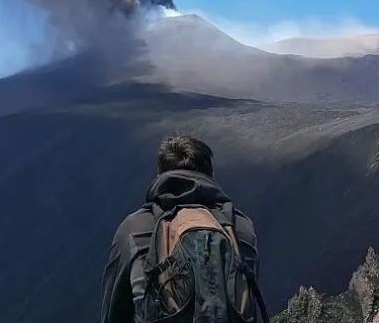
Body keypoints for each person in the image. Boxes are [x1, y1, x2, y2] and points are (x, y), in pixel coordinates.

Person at [100, 135, 266, 323]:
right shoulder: (241, 228)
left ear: (160, 175)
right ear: (209, 175)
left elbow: (113, 312)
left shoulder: (134, 229)